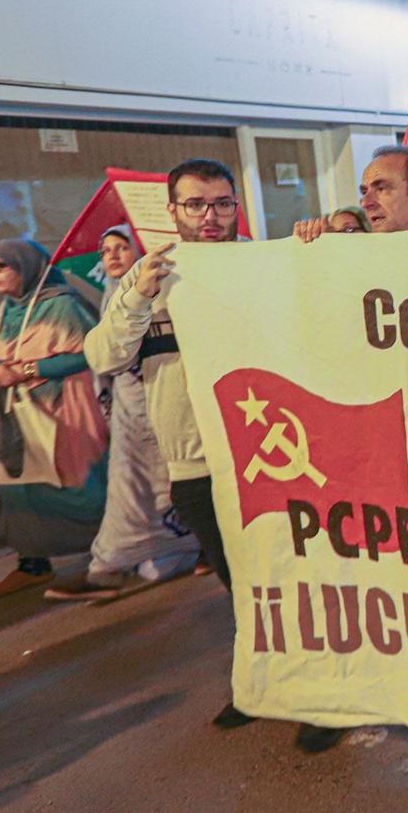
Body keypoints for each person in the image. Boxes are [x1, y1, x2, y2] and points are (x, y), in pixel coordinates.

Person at [87, 158, 345, 754]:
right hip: (195, 467)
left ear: (238, 207)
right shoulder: (150, 278)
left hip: (272, 456)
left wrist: (324, 242)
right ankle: (263, 686)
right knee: (241, 586)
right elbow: (102, 355)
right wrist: (138, 298)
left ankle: (322, 695)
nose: (211, 217)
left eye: (223, 204)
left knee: (293, 581)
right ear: (172, 212)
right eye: (196, 205)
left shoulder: (267, 264)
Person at [44, 226, 200, 602]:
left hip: (161, 412)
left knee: (157, 488)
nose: (112, 256)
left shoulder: (162, 291)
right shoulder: (111, 298)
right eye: (105, 250)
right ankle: (119, 562)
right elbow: (104, 357)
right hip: (128, 413)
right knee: (128, 488)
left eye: (121, 247)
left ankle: (113, 565)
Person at [0, 240, 111, 600]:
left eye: (0, 266)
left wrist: (34, 368)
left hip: (66, 410)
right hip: (19, 416)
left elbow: (93, 352)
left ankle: (110, 557)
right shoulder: (8, 310)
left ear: (25, 266)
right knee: (20, 488)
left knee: (80, 485)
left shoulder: (62, 305)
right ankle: (32, 563)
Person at [294, 147, 408, 240]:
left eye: (381, 188)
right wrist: (317, 249)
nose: (365, 203)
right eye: (364, 191)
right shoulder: (363, 261)